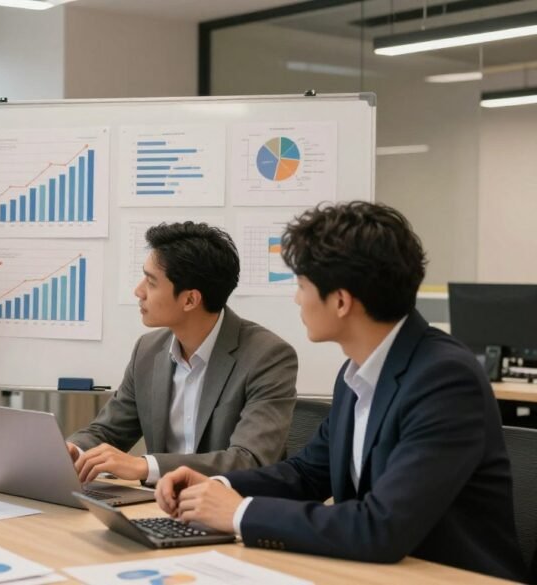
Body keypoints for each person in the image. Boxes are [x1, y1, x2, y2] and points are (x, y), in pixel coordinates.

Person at [155, 202, 528, 582]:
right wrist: (218, 485)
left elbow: (381, 526)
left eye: (302, 286)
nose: (297, 299)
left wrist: (238, 513)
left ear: (341, 301)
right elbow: (306, 475)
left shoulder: (444, 378)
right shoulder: (356, 371)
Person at [65, 222, 298, 485]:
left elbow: (249, 459)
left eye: (151, 283)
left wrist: (145, 466)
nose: (138, 291)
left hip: (233, 510)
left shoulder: (268, 356)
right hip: (157, 506)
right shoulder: (148, 350)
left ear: (190, 300)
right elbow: (108, 431)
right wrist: (74, 450)